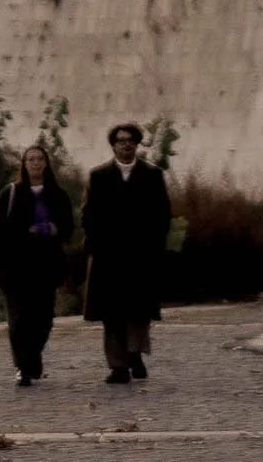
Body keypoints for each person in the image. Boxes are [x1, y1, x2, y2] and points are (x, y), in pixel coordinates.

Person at [82, 123, 172, 384]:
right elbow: (88, 215)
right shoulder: (98, 176)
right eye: (121, 140)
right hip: (108, 257)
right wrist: (96, 244)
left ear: (137, 144)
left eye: (131, 140)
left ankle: (135, 353)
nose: (126, 144)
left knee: (138, 311)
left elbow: (162, 214)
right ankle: (118, 365)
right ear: (113, 145)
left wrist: (155, 246)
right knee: (111, 315)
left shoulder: (152, 175)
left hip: (141, 256)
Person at [0, 141, 74, 387]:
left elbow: (69, 227)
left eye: (39, 159)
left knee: (43, 319)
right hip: (15, 266)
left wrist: (54, 229)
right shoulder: (11, 193)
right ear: (24, 164)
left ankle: (32, 357)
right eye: (30, 159)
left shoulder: (57, 194)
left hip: (46, 265)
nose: (35, 163)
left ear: (46, 164)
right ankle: (23, 366)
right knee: (19, 318)